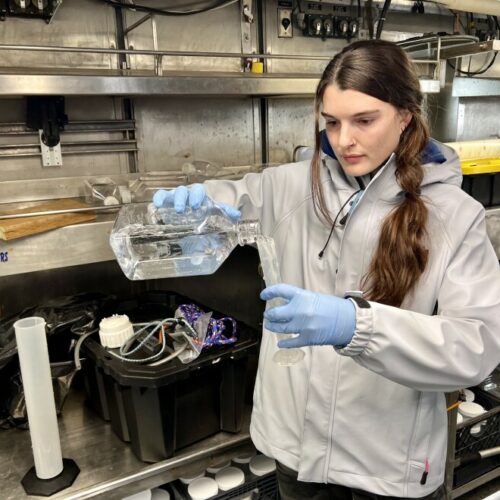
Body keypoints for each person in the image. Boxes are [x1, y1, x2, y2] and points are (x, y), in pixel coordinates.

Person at [153, 40, 500, 499]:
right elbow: (230, 202)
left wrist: (356, 327)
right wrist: (188, 210)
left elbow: (476, 346)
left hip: (389, 463)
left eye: (364, 120)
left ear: (405, 115)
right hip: (296, 451)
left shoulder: (454, 215)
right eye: (331, 122)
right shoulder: (293, 186)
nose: (343, 140)